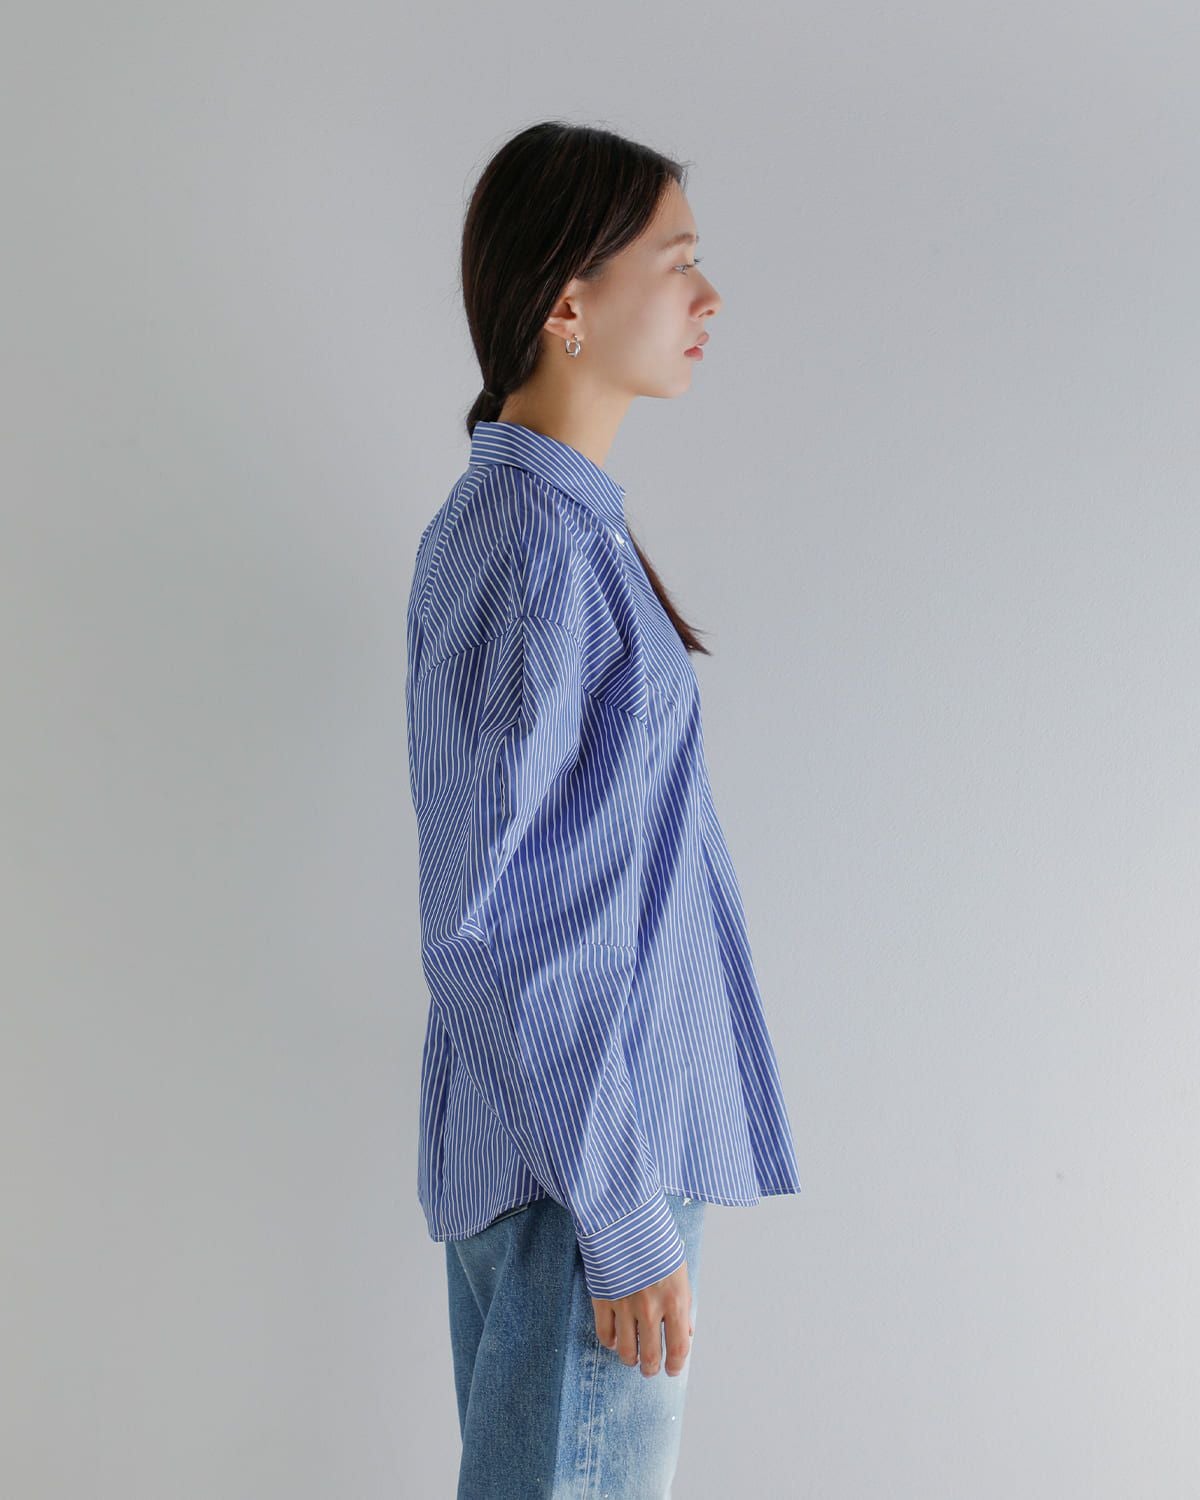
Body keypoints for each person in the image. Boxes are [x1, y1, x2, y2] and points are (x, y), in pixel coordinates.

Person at [404, 120, 802, 1499]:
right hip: (589, 1177)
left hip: (576, 1163)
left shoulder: (547, 529)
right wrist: (624, 1214)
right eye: (677, 262)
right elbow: (498, 922)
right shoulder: (534, 542)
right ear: (567, 306)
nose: (709, 296)